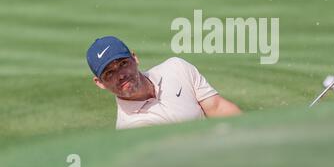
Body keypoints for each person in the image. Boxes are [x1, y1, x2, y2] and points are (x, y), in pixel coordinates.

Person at [86, 36, 242, 129]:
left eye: (123, 64)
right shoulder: (131, 127)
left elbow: (217, 107)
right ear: (99, 83)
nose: (121, 75)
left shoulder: (176, 67)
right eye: (110, 73)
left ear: (135, 58)